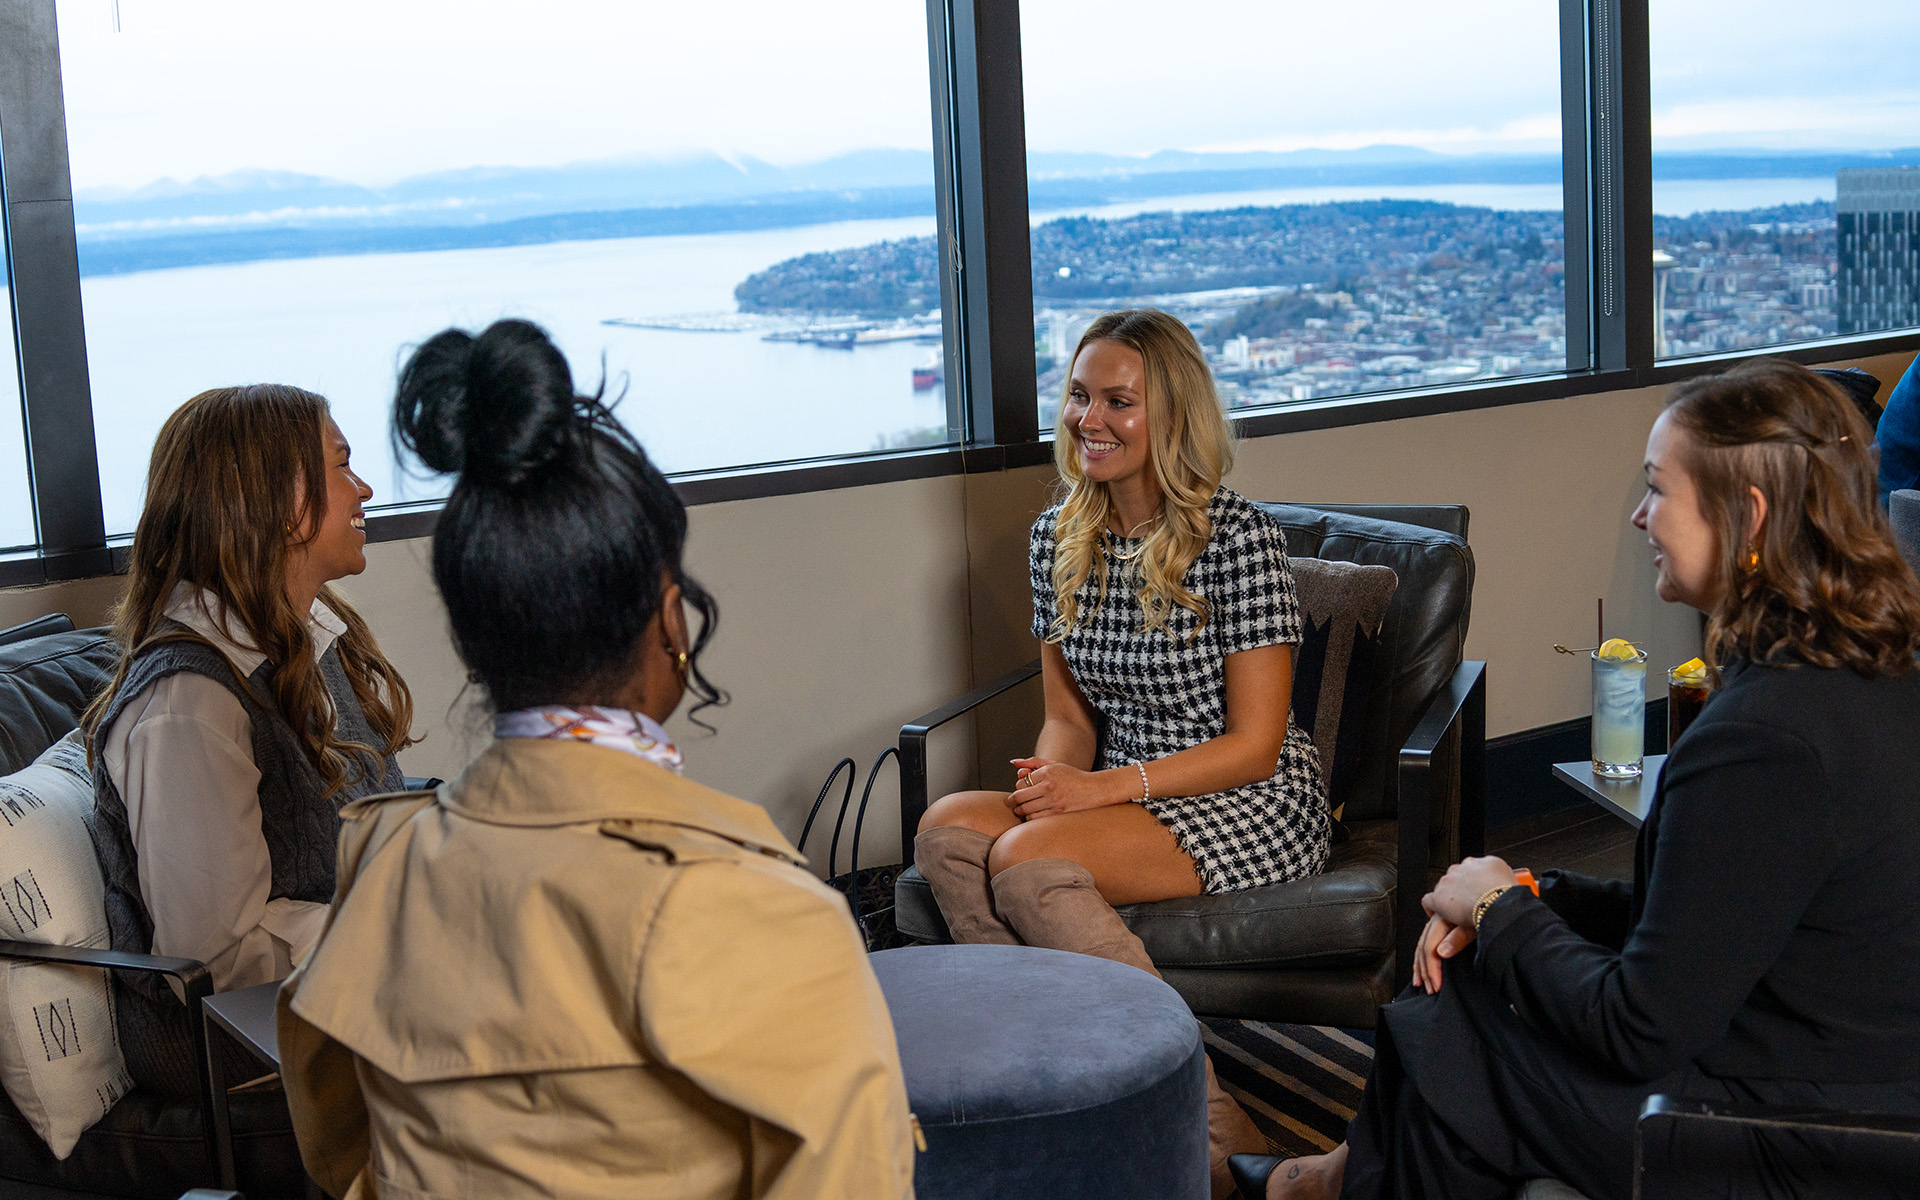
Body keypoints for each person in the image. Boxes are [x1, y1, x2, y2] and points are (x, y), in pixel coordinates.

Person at [1232, 357, 1920, 1200]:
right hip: (1809, 1063)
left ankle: (1325, 1185)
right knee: (1466, 989)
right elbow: (1716, 915)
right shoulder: (1860, 667)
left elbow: (1639, 1026)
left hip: (1803, 1132)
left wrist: (1498, 908)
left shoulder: (1763, 738)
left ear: (1748, 516)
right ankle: (1337, 1182)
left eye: (1658, 490)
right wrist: (1535, 894)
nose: (1639, 515)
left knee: (1452, 1035)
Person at [277, 319, 915, 1199]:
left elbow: (340, 1150)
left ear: (474, 643)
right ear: (669, 620)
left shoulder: (380, 867)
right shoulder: (753, 907)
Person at [916, 308, 1330, 1198]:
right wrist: (1052, 781)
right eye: (1078, 395)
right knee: (948, 830)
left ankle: (1208, 1129)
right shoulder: (1056, 537)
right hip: (1117, 785)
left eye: (1118, 400)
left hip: (1245, 797)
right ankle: (1044, 1086)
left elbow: (1256, 746)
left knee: (1026, 863)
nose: (1088, 419)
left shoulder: (1240, 538)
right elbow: (1067, 718)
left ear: (1171, 414)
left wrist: (1096, 793)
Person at [83, 385, 413, 1097]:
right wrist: (405, 936)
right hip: (248, 1046)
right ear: (277, 501)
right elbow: (222, 961)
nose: (363, 488)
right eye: (341, 466)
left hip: (347, 989)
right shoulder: (188, 702)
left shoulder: (306, 642)